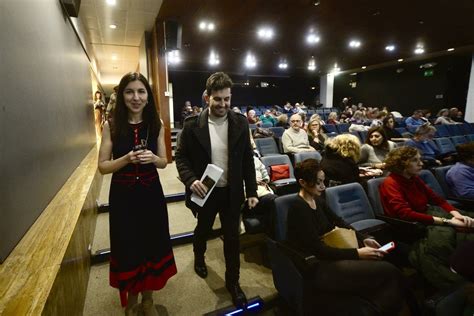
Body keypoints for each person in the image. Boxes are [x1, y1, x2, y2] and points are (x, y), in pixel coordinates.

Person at [175, 72, 258, 308]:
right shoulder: (192, 126)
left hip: (231, 193)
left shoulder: (240, 122)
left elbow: (247, 160)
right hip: (205, 192)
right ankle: (199, 257)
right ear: (206, 97)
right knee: (202, 229)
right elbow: (180, 158)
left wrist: (251, 191)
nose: (223, 104)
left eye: (227, 99)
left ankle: (233, 282)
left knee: (232, 239)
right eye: (218, 99)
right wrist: (191, 180)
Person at [98, 72, 177, 316]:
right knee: (128, 246)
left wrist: (153, 158)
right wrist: (126, 158)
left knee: (152, 244)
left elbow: (164, 162)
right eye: (130, 91)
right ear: (122, 95)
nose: (136, 97)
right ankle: (132, 301)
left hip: (151, 195)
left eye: (141, 92)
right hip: (123, 197)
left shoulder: (156, 124)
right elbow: (103, 166)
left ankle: (148, 300)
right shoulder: (111, 125)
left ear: (147, 96)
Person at [287, 159, 406, 315]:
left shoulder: (317, 198)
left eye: (323, 181)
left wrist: (362, 237)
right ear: (302, 182)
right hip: (317, 264)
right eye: (318, 183)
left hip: (331, 251)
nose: (323, 187)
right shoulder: (298, 207)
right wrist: (357, 253)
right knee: (388, 271)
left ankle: (377, 309)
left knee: (388, 267)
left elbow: (338, 221)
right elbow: (317, 249)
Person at [380, 146, 474, 289]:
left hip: (429, 213)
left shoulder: (414, 179)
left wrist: (458, 215)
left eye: (420, 160)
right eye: (415, 161)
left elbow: (438, 200)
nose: (421, 163)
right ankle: (459, 282)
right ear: (402, 164)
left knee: (469, 220)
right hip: (412, 223)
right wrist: (448, 221)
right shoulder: (390, 183)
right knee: (445, 239)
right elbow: (405, 214)